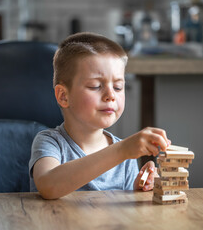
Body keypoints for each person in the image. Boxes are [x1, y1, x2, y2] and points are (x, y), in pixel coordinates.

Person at [29, 32, 171, 199]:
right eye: (95, 86)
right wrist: (122, 151)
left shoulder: (126, 155)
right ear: (63, 96)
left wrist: (139, 189)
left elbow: (127, 212)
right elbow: (49, 185)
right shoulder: (50, 142)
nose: (111, 95)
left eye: (118, 87)